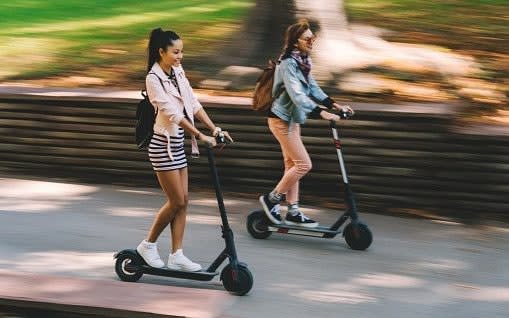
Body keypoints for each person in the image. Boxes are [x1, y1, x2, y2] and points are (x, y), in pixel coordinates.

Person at [137, 27, 232, 271]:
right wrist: (200, 136)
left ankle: (177, 254)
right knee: (176, 201)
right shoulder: (153, 79)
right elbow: (173, 113)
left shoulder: (177, 72)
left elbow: (193, 102)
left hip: (178, 145)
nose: (180, 57)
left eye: (181, 52)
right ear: (161, 52)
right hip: (162, 146)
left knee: (184, 201)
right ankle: (147, 245)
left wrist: (214, 129)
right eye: (175, 52)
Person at [259, 19, 354, 228]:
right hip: (281, 121)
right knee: (304, 164)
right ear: (296, 42)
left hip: (293, 120)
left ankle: (293, 211)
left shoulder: (304, 61)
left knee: (292, 165)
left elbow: (313, 88)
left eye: (314, 38)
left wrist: (335, 106)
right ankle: (272, 199)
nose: (312, 41)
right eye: (308, 38)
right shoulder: (287, 64)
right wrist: (321, 112)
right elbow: (297, 95)